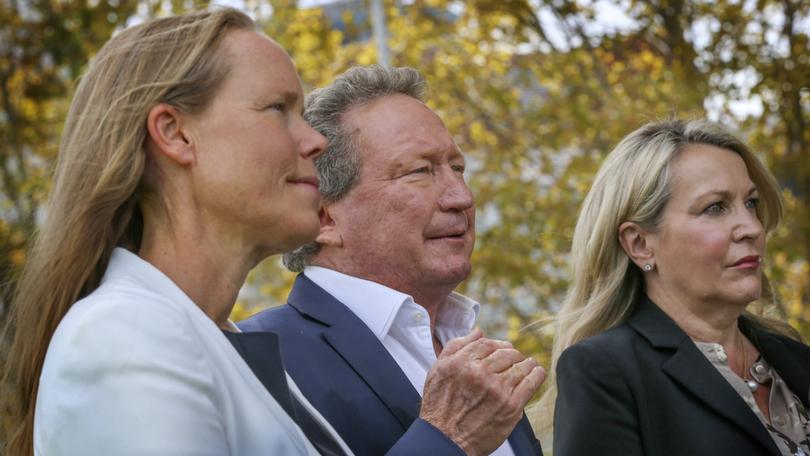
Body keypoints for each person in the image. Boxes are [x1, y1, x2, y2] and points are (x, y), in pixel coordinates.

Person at [1, 9, 354, 455]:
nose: (315, 140)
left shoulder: (211, 338)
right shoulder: (123, 336)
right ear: (175, 134)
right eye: (278, 109)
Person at [239, 65, 545, 456]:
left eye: (457, 168)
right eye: (420, 172)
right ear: (324, 218)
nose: (461, 197)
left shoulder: (465, 342)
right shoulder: (259, 358)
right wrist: (449, 440)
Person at [537, 119, 810, 455]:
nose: (751, 227)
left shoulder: (794, 358)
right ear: (639, 244)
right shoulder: (606, 372)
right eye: (715, 207)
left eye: (751, 203)